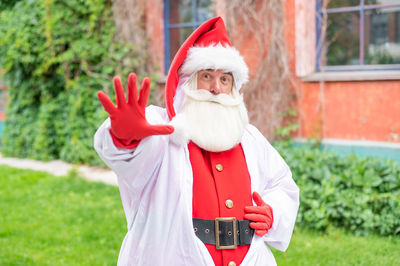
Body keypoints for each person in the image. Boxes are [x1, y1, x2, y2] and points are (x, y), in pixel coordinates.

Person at [94, 16, 299, 266]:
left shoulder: (250, 139)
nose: (216, 88)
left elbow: (282, 184)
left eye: (225, 79)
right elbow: (128, 157)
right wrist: (125, 136)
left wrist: (273, 213)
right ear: (188, 81)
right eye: (207, 76)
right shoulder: (164, 130)